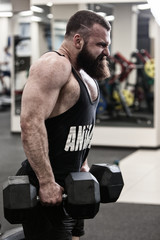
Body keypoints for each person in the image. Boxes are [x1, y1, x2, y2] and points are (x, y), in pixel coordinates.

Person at [18, 9, 111, 240]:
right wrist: (47, 182)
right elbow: (30, 123)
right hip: (47, 190)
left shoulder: (85, 74)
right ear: (78, 40)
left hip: (73, 185)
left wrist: (83, 164)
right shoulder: (54, 65)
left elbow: (77, 125)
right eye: (100, 44)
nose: (107, 52)